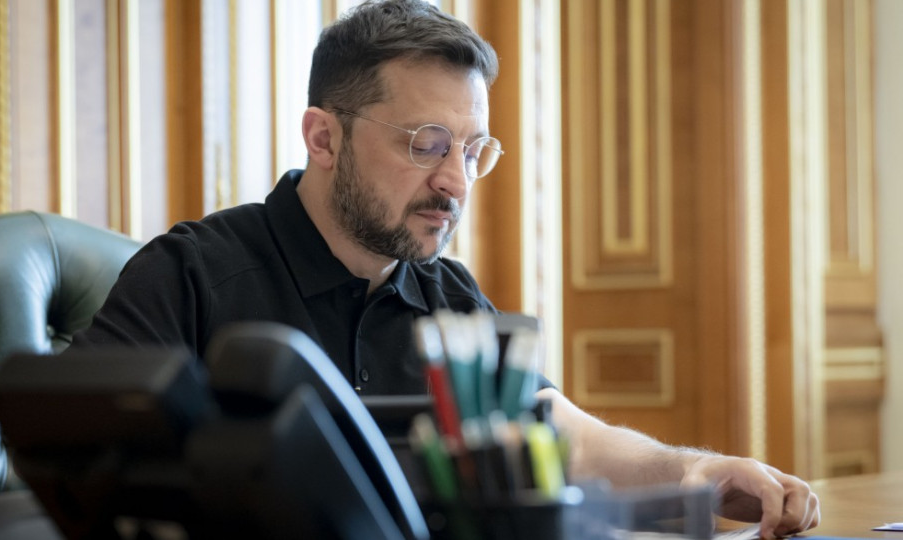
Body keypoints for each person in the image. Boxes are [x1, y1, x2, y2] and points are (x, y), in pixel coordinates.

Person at [71, 0, 820, 537]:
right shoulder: (190, 274)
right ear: (323, 138)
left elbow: (559, 433)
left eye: (473, 150)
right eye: (426, 144)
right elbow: (69, 465)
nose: (456, 182)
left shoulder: (448, 293)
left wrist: (694, 473)